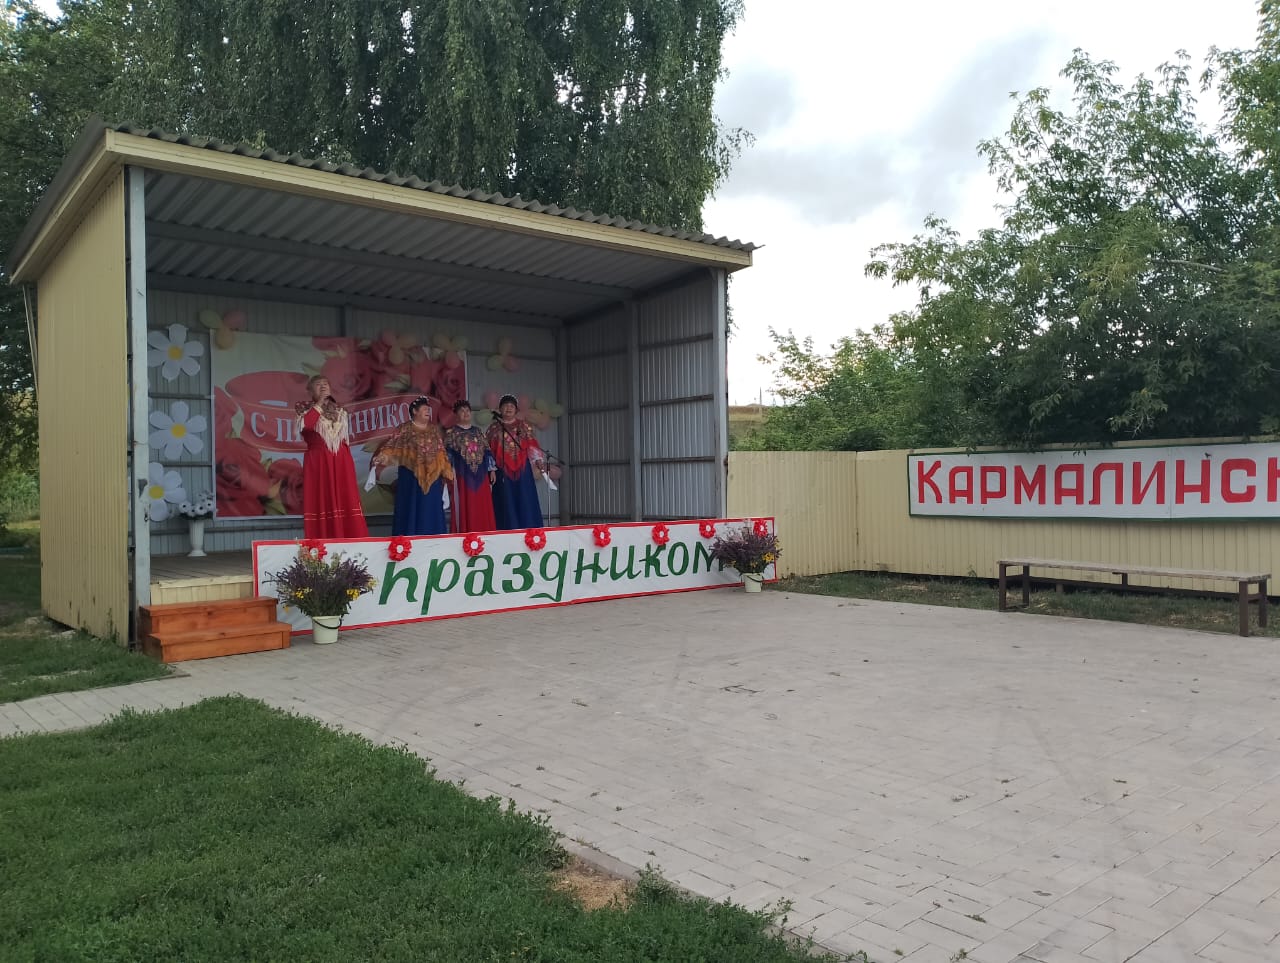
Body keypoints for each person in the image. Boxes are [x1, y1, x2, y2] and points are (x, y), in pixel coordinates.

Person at [295, 375, 369, 540]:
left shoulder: (340, 410)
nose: (323, 387)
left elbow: (343, 440)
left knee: (346, 498)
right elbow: (306, 426)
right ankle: (323, 540)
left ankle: (352, 539)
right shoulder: (304, 409)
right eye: (318, 384)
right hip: (320, 461)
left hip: (341, 460)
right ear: (310, 391)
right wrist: (320, 402)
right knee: (323, 499)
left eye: (325, 384)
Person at [371, 396, 454, 536]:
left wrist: (446, 470)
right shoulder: (404, 429)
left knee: (431, 509)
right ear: (415, 411)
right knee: (411, 508)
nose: (428, 411)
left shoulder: (433, 430)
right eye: (424, 409)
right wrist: (382, 456)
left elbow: (441, 451)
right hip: (411, 477)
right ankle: (409, 539)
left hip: (432, 479)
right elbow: (391, 447)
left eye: (428, 409)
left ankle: (434, 539)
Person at [486, 394, 545, 530]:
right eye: (505, 405)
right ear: (500, 409)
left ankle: (530, 530)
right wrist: (491, 469)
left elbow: (532, 444)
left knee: (525, 499)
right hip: (502, 470)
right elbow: (488, 450)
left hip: (522, 469)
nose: (509, 408)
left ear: (516, 410)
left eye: (512, 406)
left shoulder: (524, 426)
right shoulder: (493, 429)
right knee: (506, 501)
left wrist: (538, 460)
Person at [444, 400, 498, 534]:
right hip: (462, 475)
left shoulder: (478, 431)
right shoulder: (452, 433)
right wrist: (448, 471)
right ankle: (466, 534)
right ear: (456, 415)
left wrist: (492, 470)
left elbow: (487, 451)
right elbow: (447, 455)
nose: (466, 413)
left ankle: (485, 533)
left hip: (481, 474)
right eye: (462, 411)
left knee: (482, 504)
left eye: (467, 410)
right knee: (465, 505)